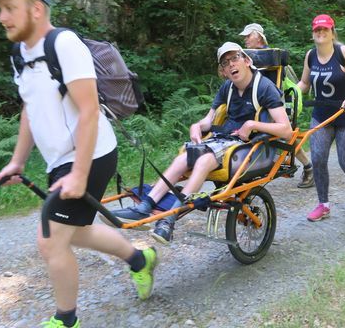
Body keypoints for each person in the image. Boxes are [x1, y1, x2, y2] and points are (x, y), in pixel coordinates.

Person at [0, 0, 157, 328]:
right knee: (74, 230)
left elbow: (89, 109)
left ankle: (66, 320)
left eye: (9, 8)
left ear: (36, 9)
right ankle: (140, 259)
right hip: (63, 160)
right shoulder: (21, 53)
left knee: (51, 240)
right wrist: (17, 160)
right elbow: (30, 108)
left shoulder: (64, 45)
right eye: (0, 9)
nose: (2, 17)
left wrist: (78, 173)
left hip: (91, 154)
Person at [109, 42, 293, 243]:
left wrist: (250, 124)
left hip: (248, 146)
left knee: (204, 160)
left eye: (235, 58)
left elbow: (286, 129)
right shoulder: (227, 88)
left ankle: (169, 219)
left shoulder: (265, 88)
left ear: (246, 61)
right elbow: (209, 119)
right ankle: (145, 206)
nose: (231, 64)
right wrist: (197, 126)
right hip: (222, 140)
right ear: (223, 71)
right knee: (183, 159)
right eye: (225, 63)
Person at [297, 14, 345, 221]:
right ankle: (323, 205)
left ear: (332, 32)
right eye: (317, 30)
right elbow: (304, 83)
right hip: (322, 115)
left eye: (325, 29)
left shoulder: (344, 52)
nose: (320, 33)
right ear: (313, 33)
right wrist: (292, 94)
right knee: (318, 158)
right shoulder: (310, 56)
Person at [239, 23, 314, 188]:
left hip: (280, 103)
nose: (245, 39)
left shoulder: (271, 58)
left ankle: (307, 166)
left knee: (284, 136)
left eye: (248, 36)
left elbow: (274, 89)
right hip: (263, 104)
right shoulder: (253, 58)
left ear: (258, 36)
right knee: (279, 137)